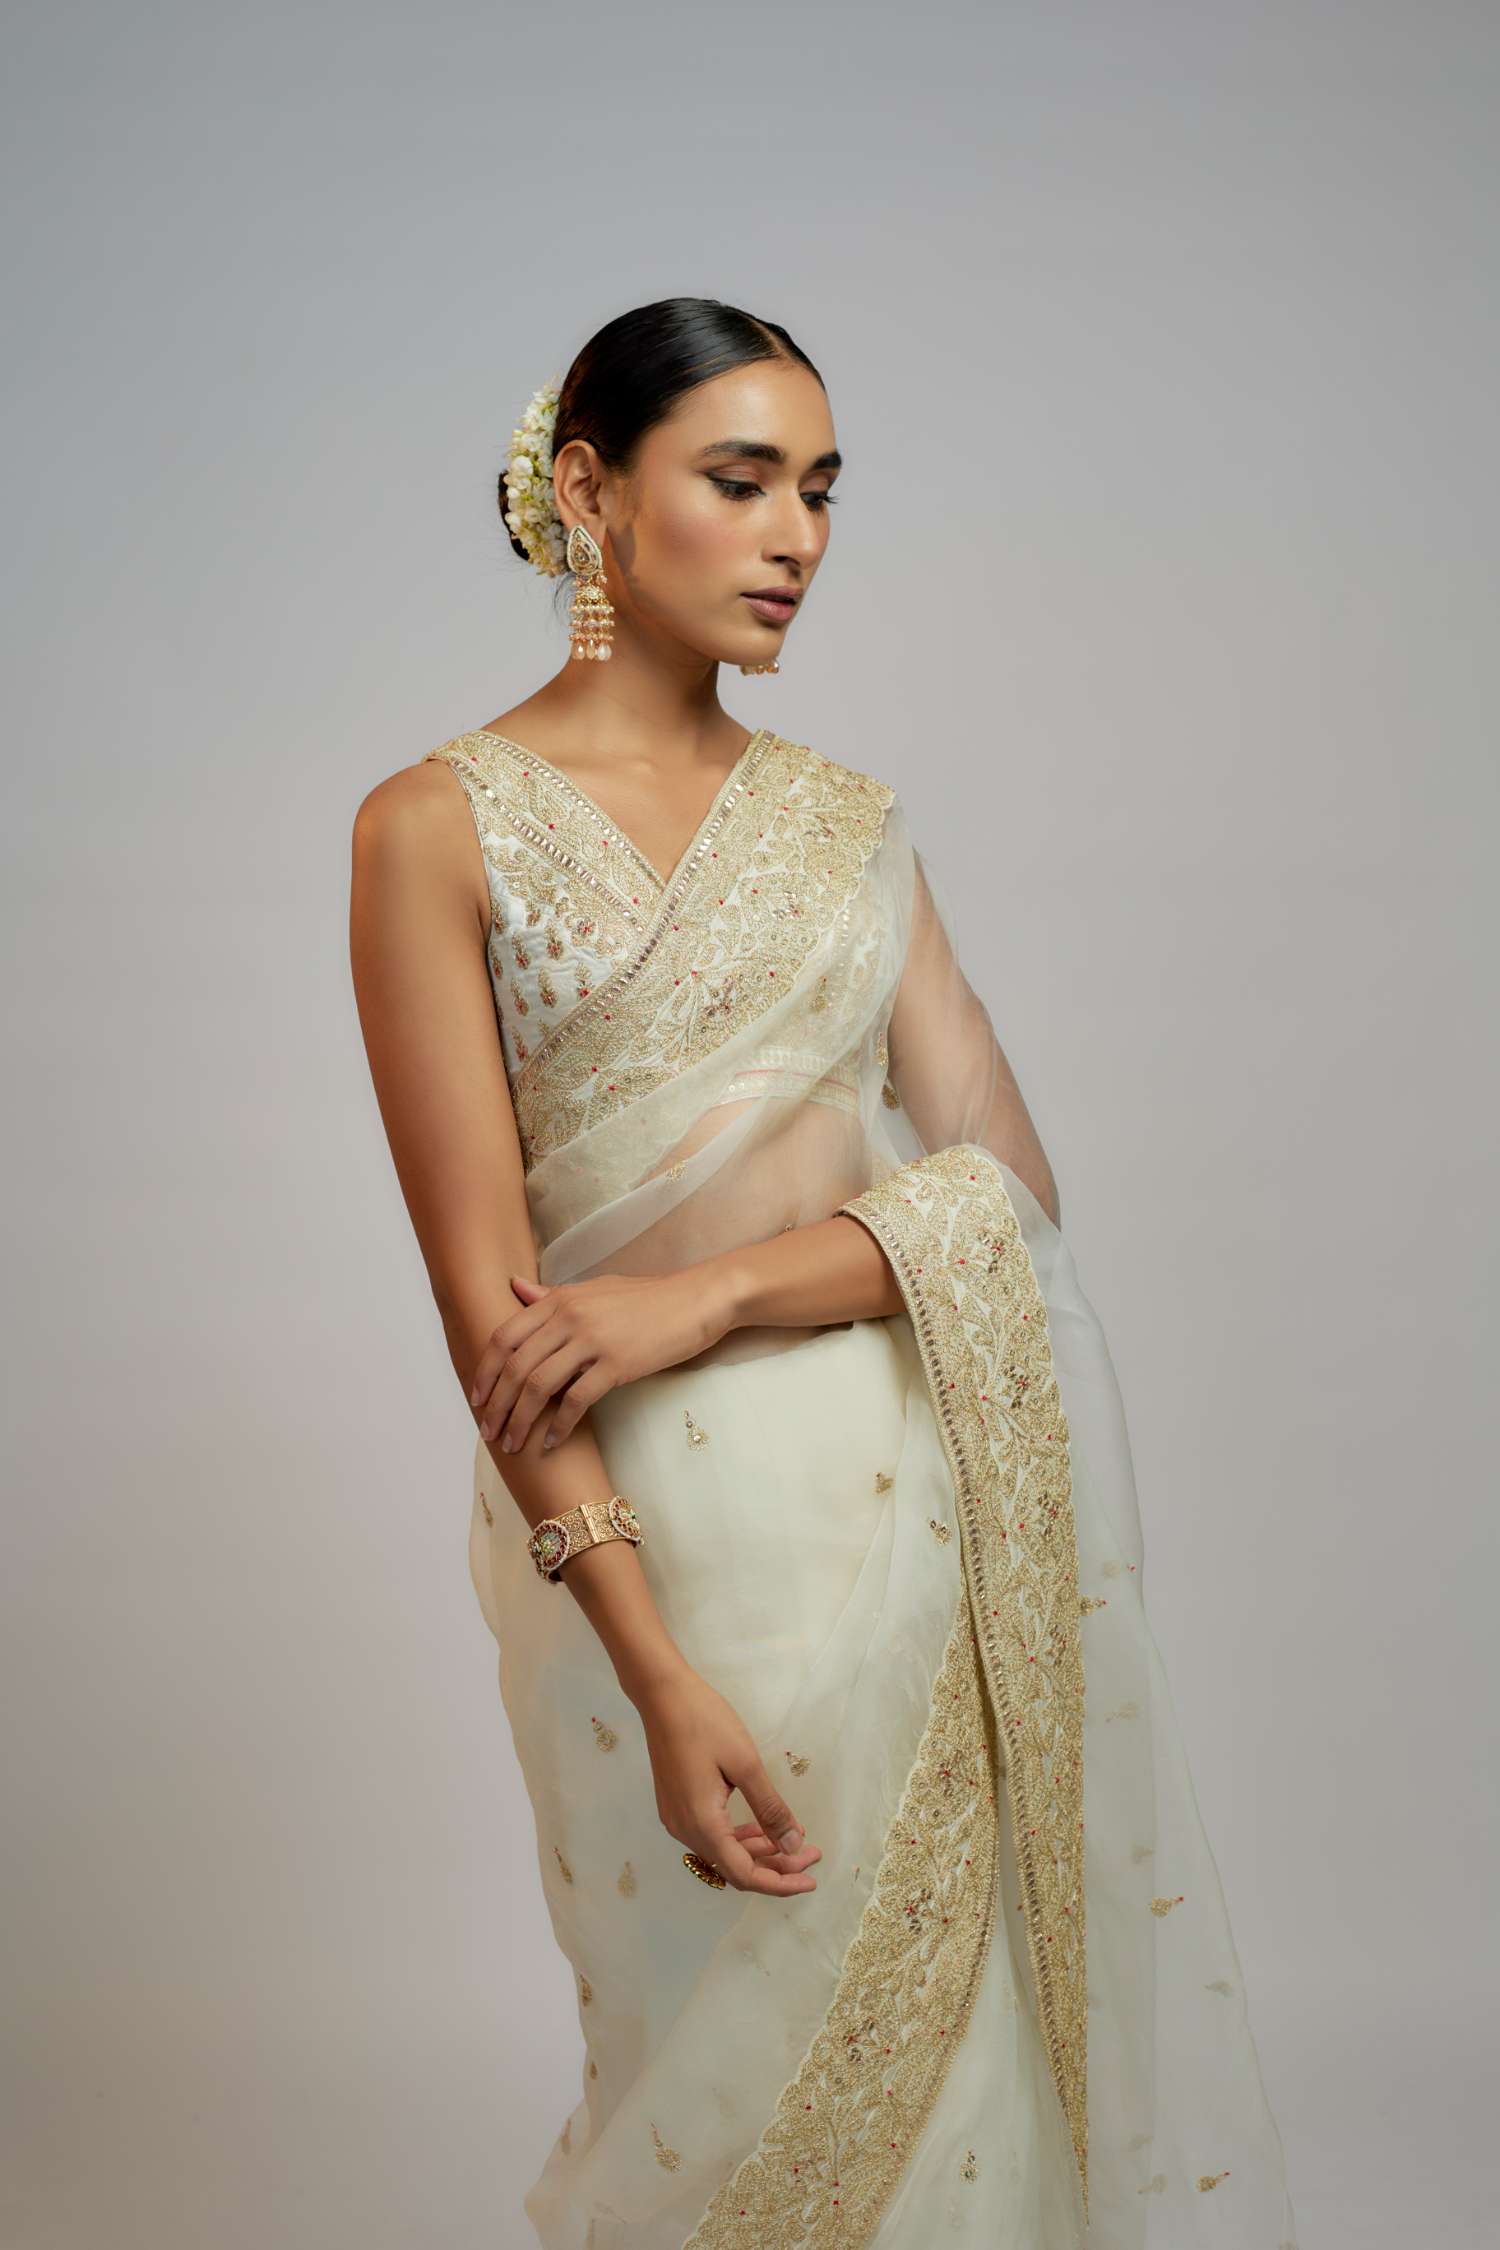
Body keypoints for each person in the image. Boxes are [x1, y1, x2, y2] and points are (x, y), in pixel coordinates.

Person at [348, 296, 1299, 2249]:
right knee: (702, 2081)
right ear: (592, 492)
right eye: (744, 480)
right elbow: (492, 1321)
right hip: (633, 1547)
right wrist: (651, 1668)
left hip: (911, 1517)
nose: (800, 536)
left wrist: (700, 1297)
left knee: (964, 2089)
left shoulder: (852, 827)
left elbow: (1007, 1194)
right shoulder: (432, 828)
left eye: (824, 489)